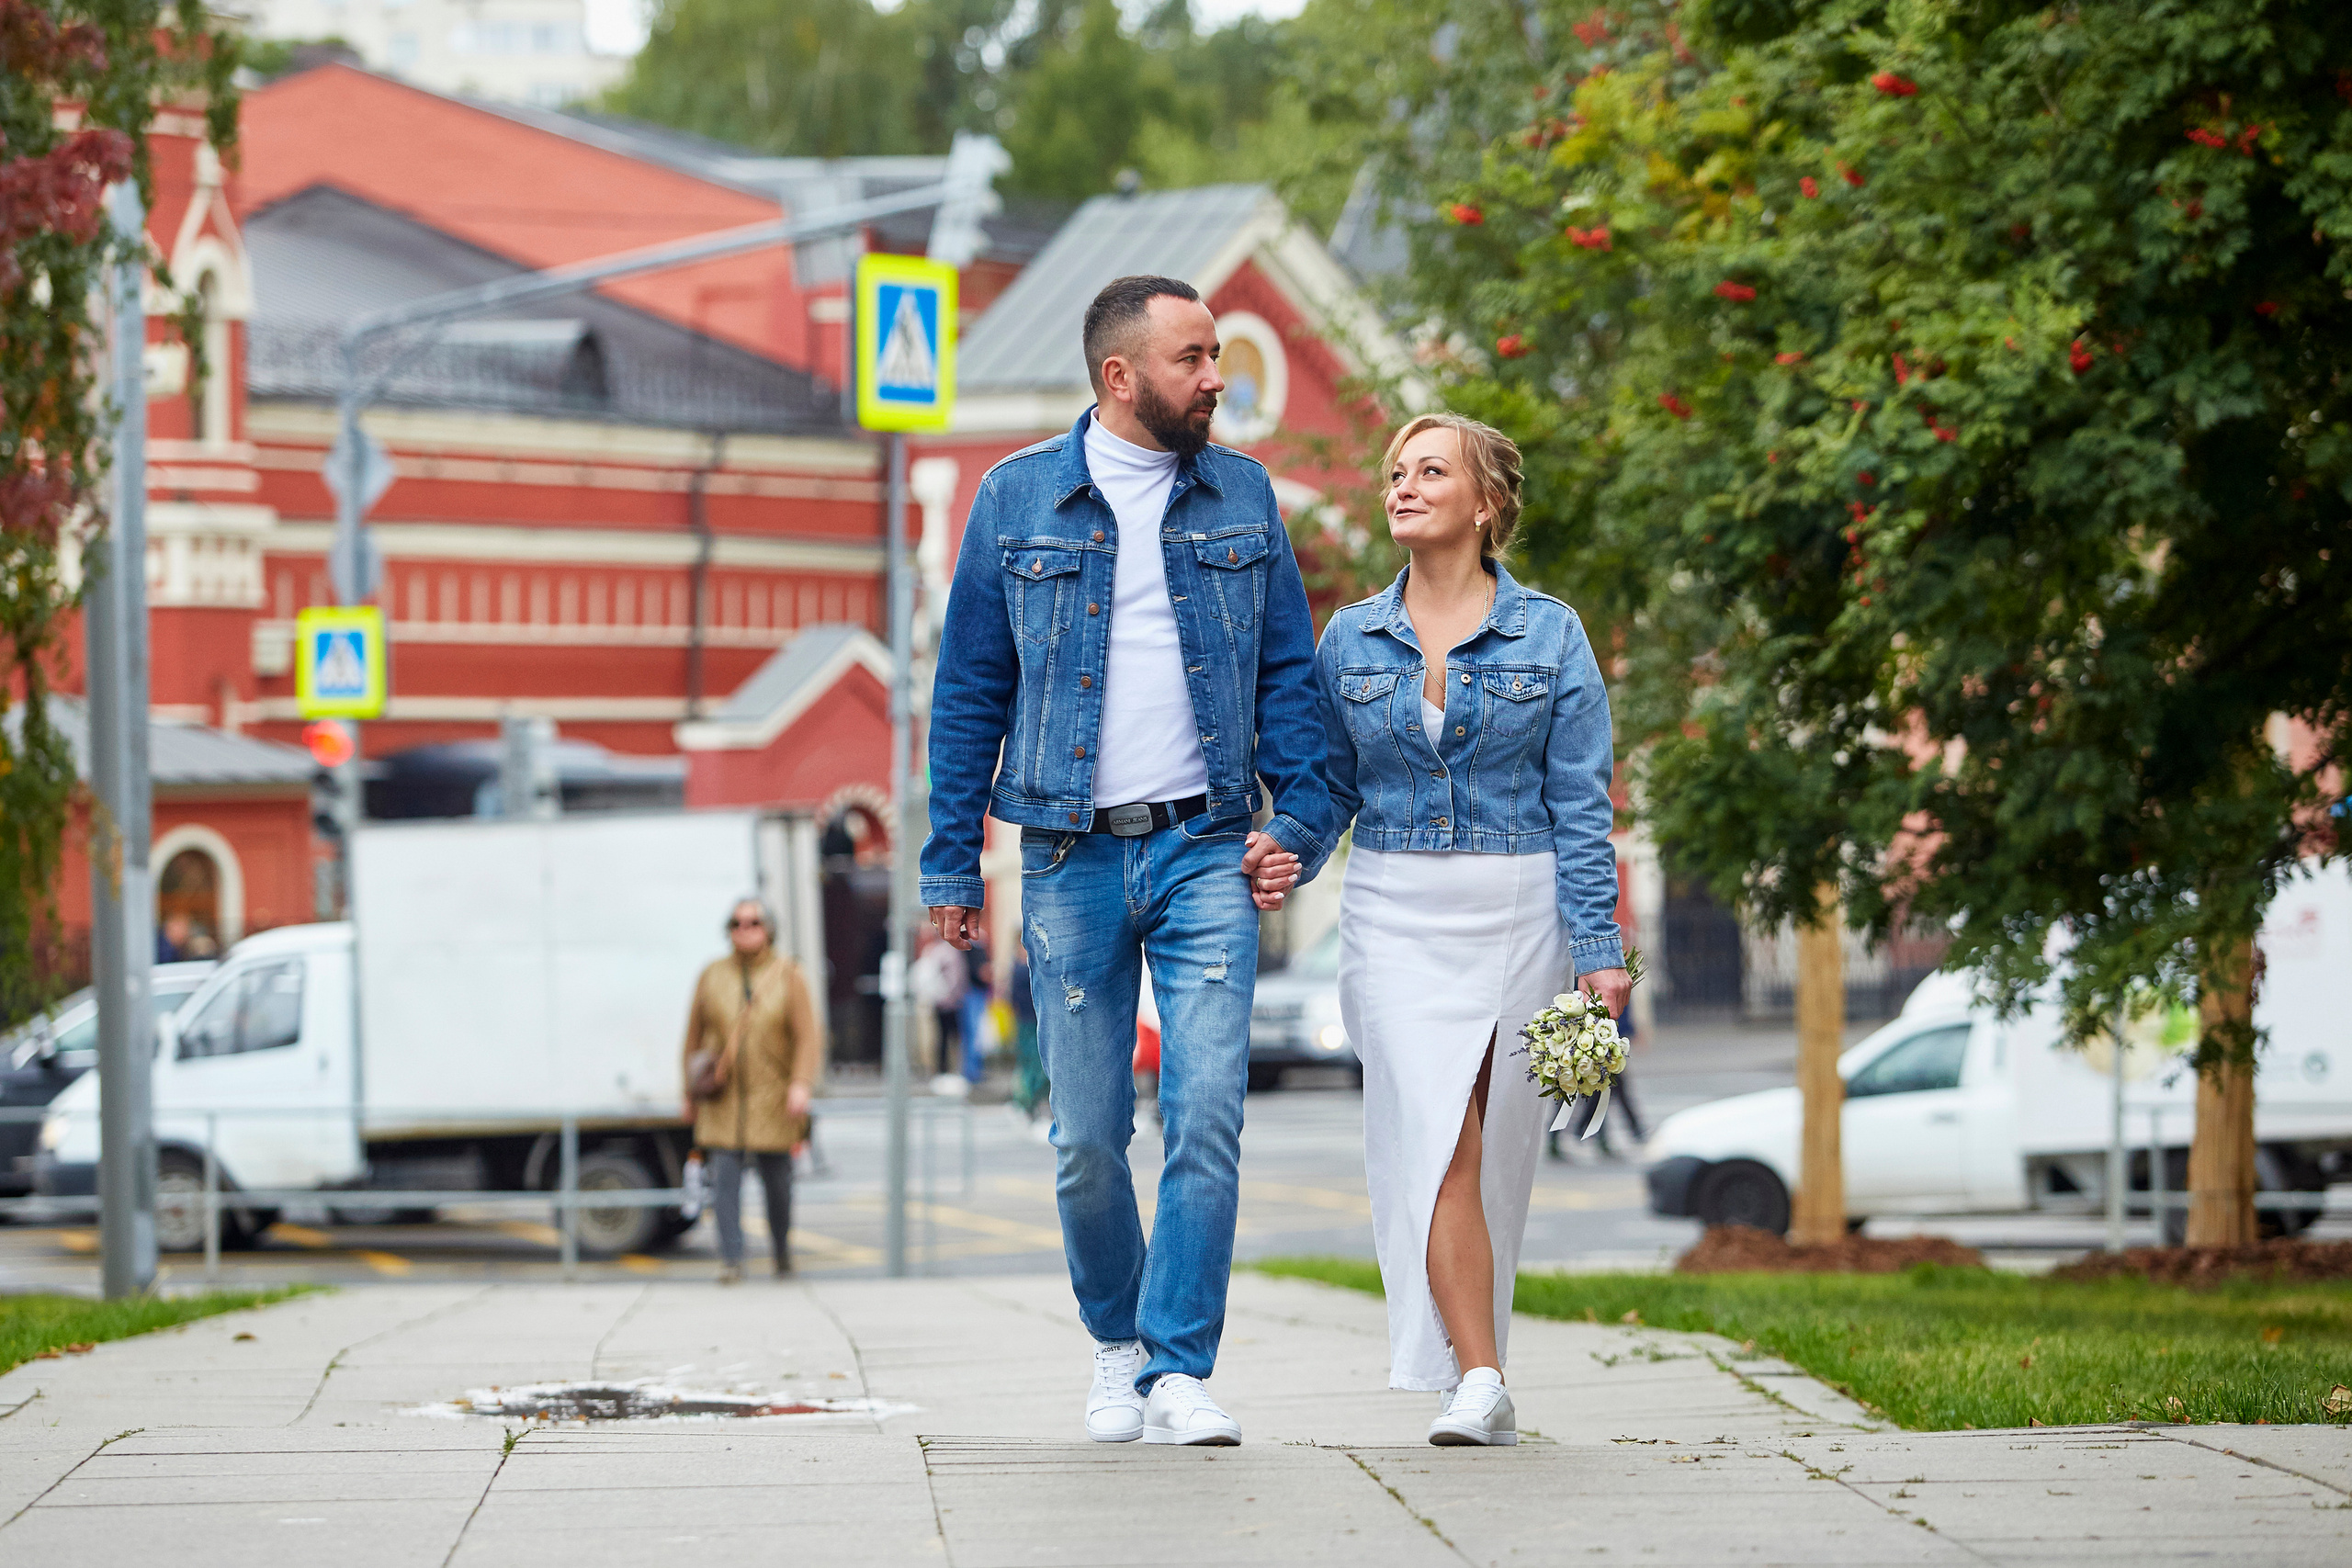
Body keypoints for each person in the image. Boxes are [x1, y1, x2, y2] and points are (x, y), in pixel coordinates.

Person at [921, 275, 1333, 1447]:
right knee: (1088, 1137)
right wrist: (953, 865)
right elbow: (968, 697)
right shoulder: (1015, 500)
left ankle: (1180, 1368)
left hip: (1205, 845)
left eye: (1216, 357)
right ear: (1120, 376)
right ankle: (1116, 1347)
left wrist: (1294, 827)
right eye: (1195, 359)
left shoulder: (1243, 494)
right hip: (1065, 856)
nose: (1219, 378)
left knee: (1207, 1112)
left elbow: (1289, 676)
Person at [1251, 412, 1629, 1448]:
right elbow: (1328, 784)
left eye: (1430, 470)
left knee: (1493, 1151)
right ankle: (1479, 1377)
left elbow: (1581, 805)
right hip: (1393, 909)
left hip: (1516, 908)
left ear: (1485, 503)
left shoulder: (1551, 634)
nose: (1402, 486)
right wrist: (1286, 842)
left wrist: (1598, 948)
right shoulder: (1349, 638)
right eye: (1394, 472)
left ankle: (1476, 1370)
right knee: (1432, 1136)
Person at [680, 897, 820, 1282]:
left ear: (769, 928)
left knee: (778, 1185)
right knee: (724, 1183)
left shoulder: (788, 974)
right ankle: (731, 1258)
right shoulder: (712, 975)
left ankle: (781, 1251)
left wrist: (801, 1084)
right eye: (737, 923)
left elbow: (808, 1037)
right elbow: (692, 1037)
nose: (745, 929)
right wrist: (687, 1093)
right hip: (723, 1099)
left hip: (772, 1096)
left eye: (754, 922)